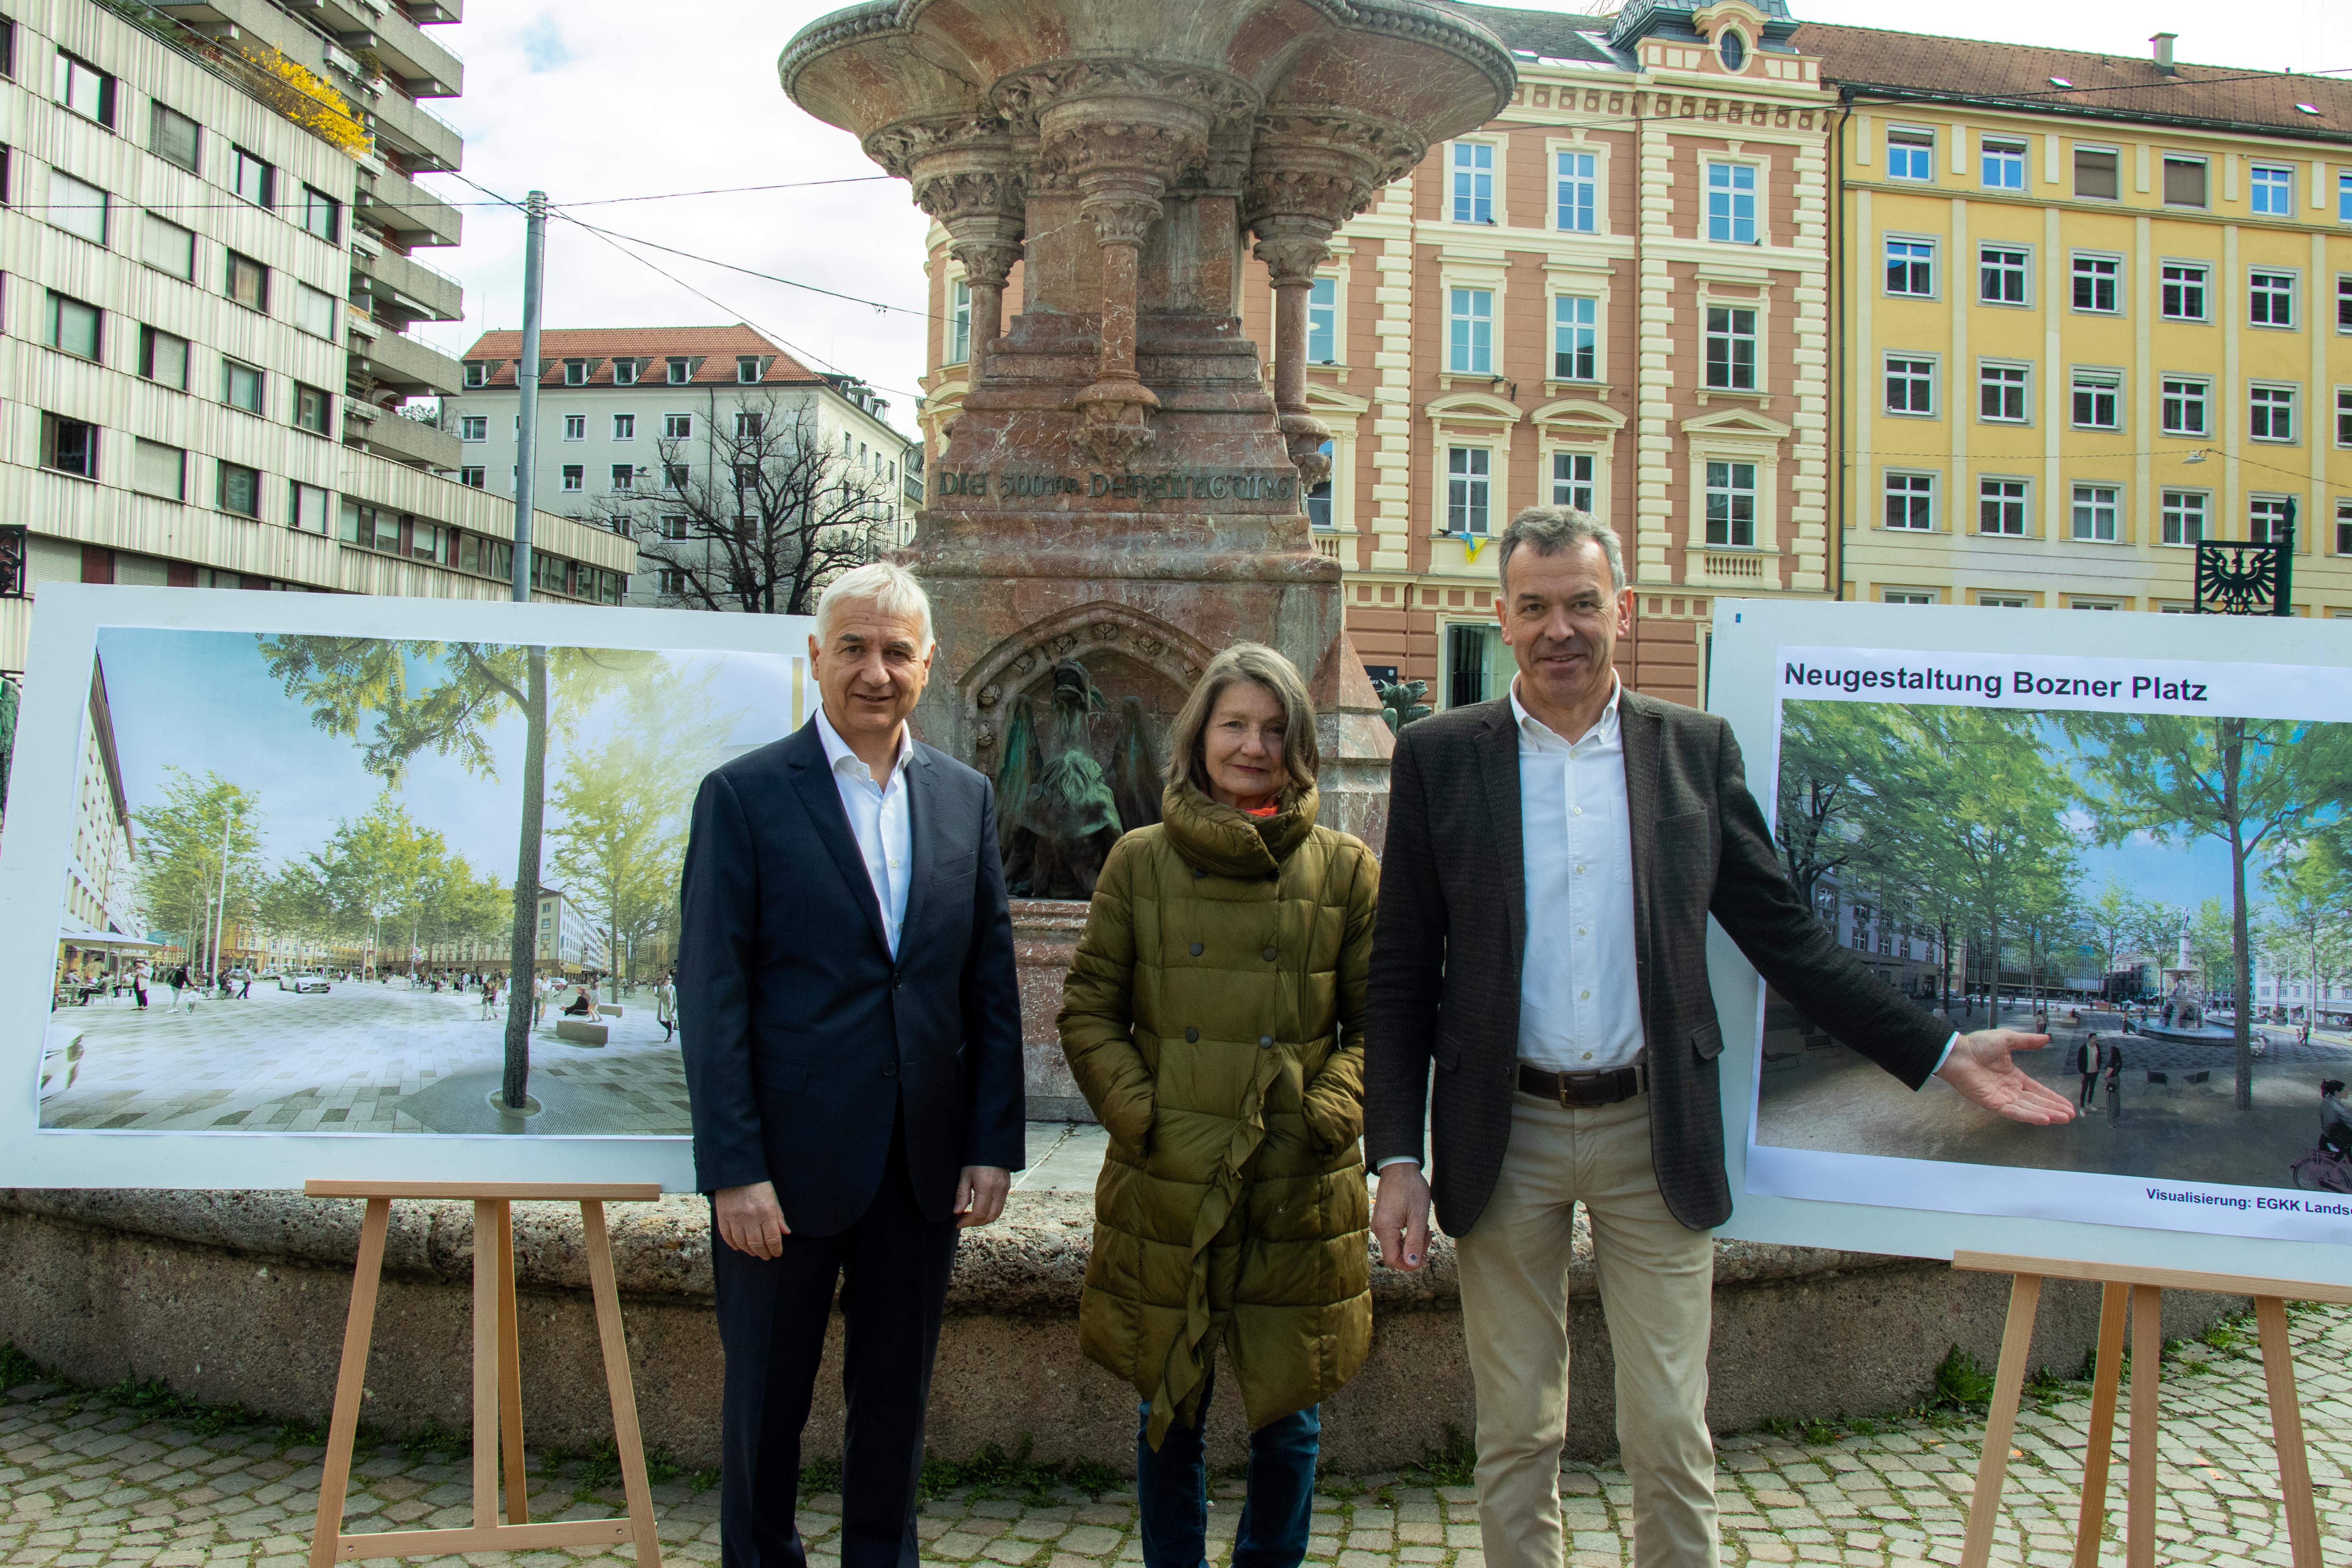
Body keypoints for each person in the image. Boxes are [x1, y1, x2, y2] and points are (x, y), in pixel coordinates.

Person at [1361, 508, 2076, 1568]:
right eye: (1538, 608)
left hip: (1657, 1131)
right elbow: (1403, 973)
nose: (1563, 629)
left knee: (1670, 1433)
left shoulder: (1689, 753)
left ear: (1624, 611)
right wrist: (1398, 1156)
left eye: (1584, 605)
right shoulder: (1439, 759)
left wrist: (1937, 1050)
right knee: (1517, 1431)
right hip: (1498, 1129)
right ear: (1502, 621)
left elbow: (1788, 939)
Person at [679, 560, 1025, 1568]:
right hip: (781, 1174)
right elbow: (713, 995)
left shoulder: (964, 798)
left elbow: (987, 987)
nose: (876, 671)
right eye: (854, 648)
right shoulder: (741, 796)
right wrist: (734, 1169)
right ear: (816, 657)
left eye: (897, 652)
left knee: (893, 1412)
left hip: (920, 1170)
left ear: (929, 663)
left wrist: (990, 1144)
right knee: (764, 1415)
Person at [1059, 644, 1378, 1568]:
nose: (1254, 746)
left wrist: (1326, 1115)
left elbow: (1377, 1026)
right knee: (1170, 1408)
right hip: (1173, 1175)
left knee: (1290, 1414)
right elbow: (1088, 1009)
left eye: (1275, 729)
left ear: (1300, 743)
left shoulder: (1344, 868)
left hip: (1293, 1178)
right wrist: (1145, 1118)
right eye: (1235, 724)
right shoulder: (1140, 860)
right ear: (1198, 735)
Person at [2319, 1080, 2350, 1158]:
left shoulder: (2326, 1101)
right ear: (2337, 1093)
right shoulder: (2337, 1107)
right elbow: (2349, 1120)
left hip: (2326, 1136)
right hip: (2336, 1138)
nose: (2348, 1093)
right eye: (2345, 1091)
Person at [2076, 1032, 2101, 1109]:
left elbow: (2100, 1058)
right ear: (2090, 1039)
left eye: (2096, 1038)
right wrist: (2081, 1073)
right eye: (2094, 1038)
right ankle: (2082, 1107)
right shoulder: (2083, 1048)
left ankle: (2089, 1103)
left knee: (2092, 1089)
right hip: (2086, 1072)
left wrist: (2099, 1068)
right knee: (2084, 1089)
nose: (2096, 1039)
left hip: (2095, 1072)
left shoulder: (2097, 1047)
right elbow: (2079, 1061)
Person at [655, 971, 678, 1043]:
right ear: (665, 979)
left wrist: (677, 1007)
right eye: (668, 979)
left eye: (671, 979)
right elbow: (661, 996)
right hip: (662, 1007)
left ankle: (669, 1037)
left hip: (669, 1007)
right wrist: (656, 994)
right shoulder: (661, 987)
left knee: (669, 1021)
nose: (670, 980)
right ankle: (671, 1031)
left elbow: (675, 997)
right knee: (661, 1021)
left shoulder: (672, 988)